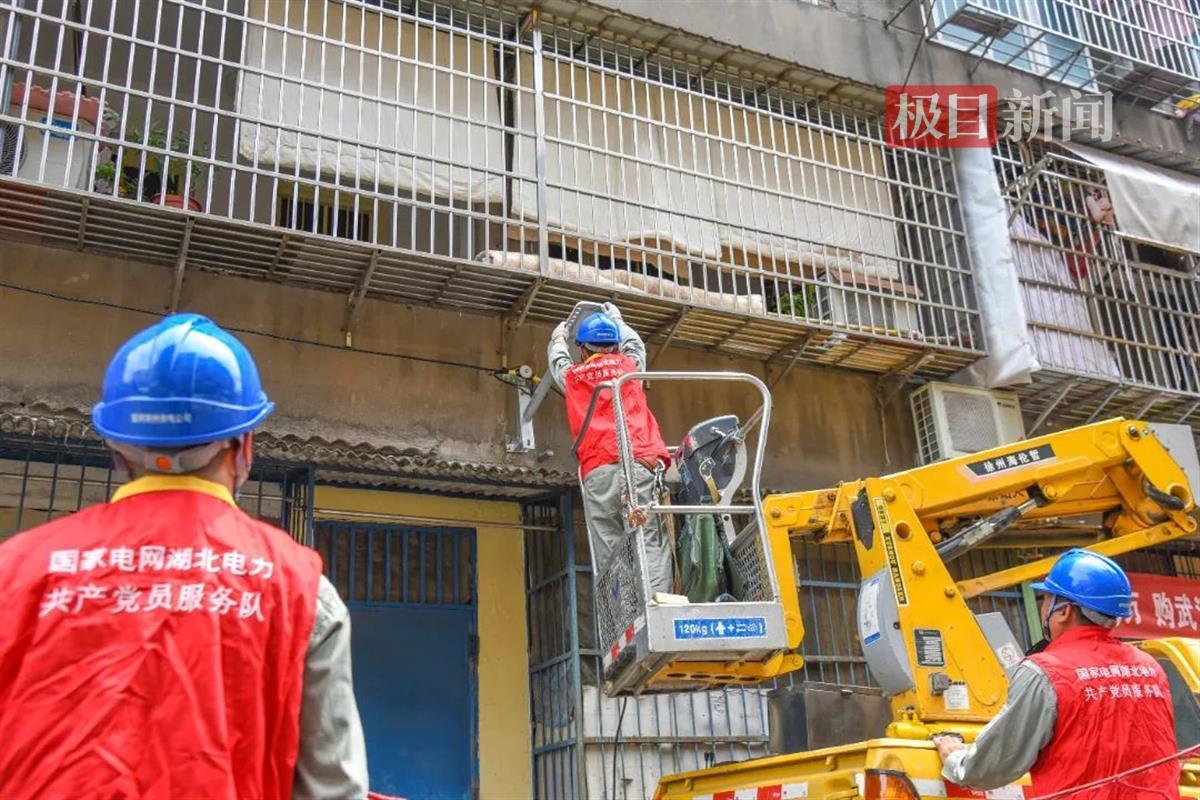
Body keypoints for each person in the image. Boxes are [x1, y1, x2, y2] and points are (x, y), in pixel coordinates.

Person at [0, 313, 368, 799]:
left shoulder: (15, 571)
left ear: (116, 449)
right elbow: (333, 789)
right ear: (245, 447)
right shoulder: (300, 590)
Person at [935, 549, 1179, 798]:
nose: (1043, 608)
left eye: (1045, 599)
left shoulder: (1045, 673)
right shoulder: (1150, 667)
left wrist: (956, 760)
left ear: (1064, 611)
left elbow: (991, 767)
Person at [548, 303, 673, 595]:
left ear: (583, 349)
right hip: (640, 463)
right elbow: (636, 345)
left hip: (599, 470)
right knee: (647, 539)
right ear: (615, 346)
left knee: (610, 544)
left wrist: (557, 339)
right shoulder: (630, 367)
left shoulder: (575, 376)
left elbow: (558, 364)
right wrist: (620, 320)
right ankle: (657, 604)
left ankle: (623, 616)